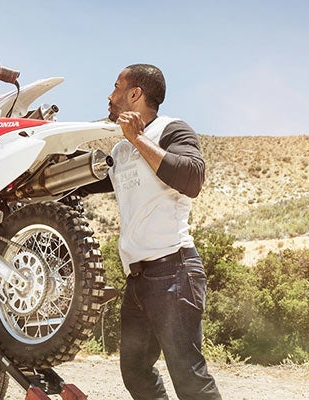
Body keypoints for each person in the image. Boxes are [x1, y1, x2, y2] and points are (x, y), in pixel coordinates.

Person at [86, 64, 222, 399]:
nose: (110, 96)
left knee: (189, 376)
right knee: (135, 373)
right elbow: (83, 183)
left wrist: (137, 138)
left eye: (116, 87)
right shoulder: (120, 151)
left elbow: (192, 178)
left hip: (174, 272)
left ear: (135, 94)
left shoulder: (171, 129)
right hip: (137, 281)